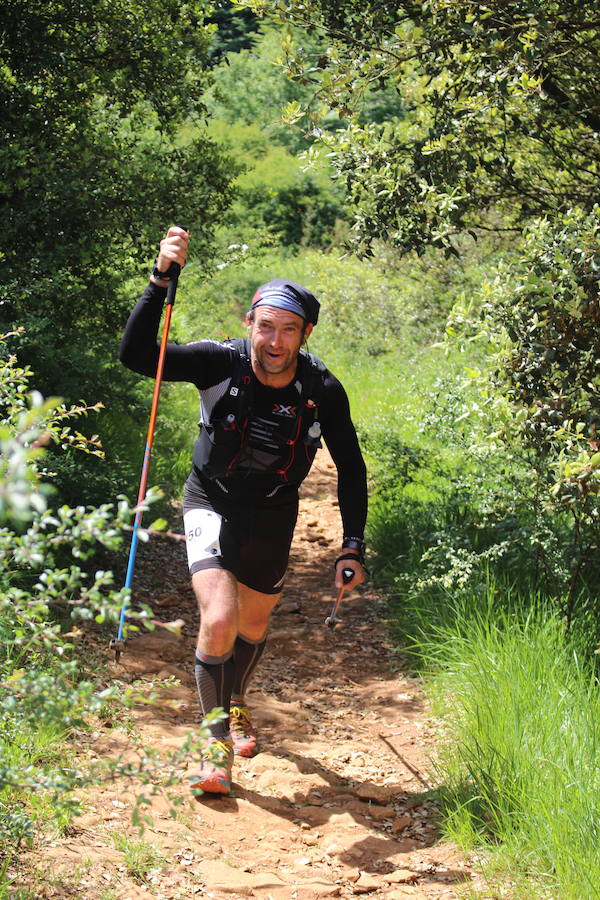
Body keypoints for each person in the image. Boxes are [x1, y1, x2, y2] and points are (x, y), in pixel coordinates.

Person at [120, 226, 367, 795]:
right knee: (222, 619)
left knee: (253, 626)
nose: (274, 342)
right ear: (249, 324)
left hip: (274, 513)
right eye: (265, 327)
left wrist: (351, 543)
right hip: (212, 499)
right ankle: (213, 745)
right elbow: (136, 355)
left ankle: (234, 702)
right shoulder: (217, 363)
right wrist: (161, 277)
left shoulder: (322, 389)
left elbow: (350, 469)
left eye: (288, 331)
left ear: (304, 335)